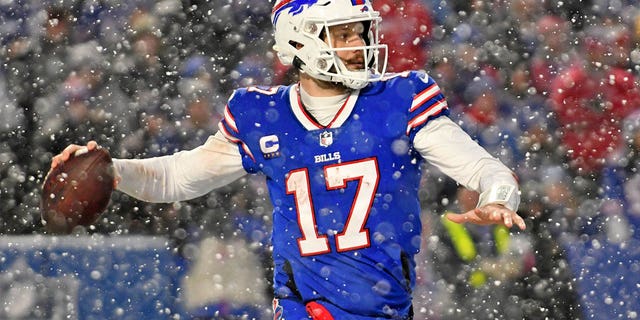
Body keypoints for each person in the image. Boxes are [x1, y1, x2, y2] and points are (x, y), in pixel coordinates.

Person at [50, 1, 525, 319]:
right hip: (303, 307)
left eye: (360, 32)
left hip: (381, 308)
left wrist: (499, 196)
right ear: (301, 40)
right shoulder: (264, 115)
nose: (359, 44)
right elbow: (179, 177)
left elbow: (486, 169)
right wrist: (113, 171)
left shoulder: (399, 99)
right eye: (342, 34)